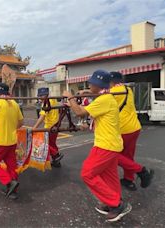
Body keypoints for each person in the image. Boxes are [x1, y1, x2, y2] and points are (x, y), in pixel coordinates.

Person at [63, 70, 131, 222]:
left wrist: (71, 97)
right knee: (110, 176)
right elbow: (91, 110)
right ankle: (113, 200)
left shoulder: (104, 100)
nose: (89, 85)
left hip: (105, 145)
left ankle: (116, 204)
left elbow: (80, 112)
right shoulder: (106, 97)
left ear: (97, 85)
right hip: (112, 143)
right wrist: (82, 95)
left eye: (91, 84)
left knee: (87, 173)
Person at [110, 72, 154, 191]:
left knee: (111, 155)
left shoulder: (115, 91)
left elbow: (100, 96)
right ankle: (129, 180)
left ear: (112, 81)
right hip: (134, 127)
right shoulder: (128, 89)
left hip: (122, 129)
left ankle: (141, 171)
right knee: (127, 156)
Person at [33, 87, 64, 168]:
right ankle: (56, 161)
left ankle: (56, 155)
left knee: (45, 143)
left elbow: (42, 117)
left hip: (49, 126)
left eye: (41, 96)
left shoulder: (46, 102)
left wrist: (34, 128)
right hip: (56, 124)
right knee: (52, 143)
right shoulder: (53, 100)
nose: (40, 98)